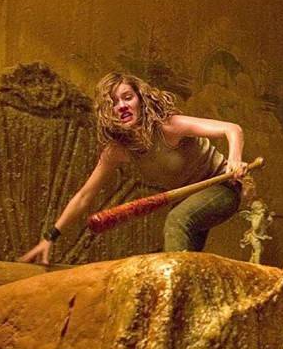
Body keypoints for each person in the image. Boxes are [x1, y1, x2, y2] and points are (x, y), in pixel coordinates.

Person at [20, 72, 248, 265]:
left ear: (141, 99)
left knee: (176, 222)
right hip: (186, 201)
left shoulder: (168, 126)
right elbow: (84, 196)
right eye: (114, 103)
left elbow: (232, 129)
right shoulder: (117, 151)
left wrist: (235, 160)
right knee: (182, 261)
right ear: (108, 112)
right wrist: (50, 237)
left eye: (127, 97)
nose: (122, 106)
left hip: (223, 186)